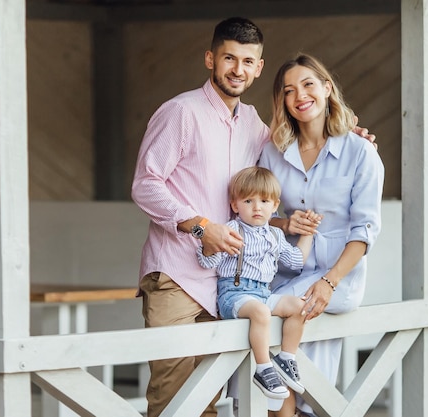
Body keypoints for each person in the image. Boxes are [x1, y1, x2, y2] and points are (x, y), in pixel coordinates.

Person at [132, 16, 374, 417]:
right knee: (174, 395)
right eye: (229, 58)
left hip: (229, 283)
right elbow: (145, 184)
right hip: (177, 275)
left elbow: (284, 160)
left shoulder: (255, 128)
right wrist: (200, 226)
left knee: (209, 396)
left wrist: (352, 139)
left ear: (258, 68)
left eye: (248, 61)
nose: (237, 70)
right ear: (210, 59)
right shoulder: (180, 112)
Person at [258, 53, 385, 417]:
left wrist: (329, 282)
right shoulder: (272, 152)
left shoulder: (360, 152)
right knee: (259, 334)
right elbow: (256, 213)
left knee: (268, 327)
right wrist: (284, 224)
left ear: (327, 88)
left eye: (309, 84)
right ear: (282, 101)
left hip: (336, 278)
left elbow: (365, 230)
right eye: (289, 90)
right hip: (285, 270)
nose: (300, 95)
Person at [196, 166, 321, 404]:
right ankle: (264, 369)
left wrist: (309, 233)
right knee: (261, 312)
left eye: (264, 201)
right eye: (248, 200)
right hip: (234, 294)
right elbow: (207, 261)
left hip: (263, 293)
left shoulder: (275, 234)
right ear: (235, 205)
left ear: (275, 206)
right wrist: (208, 244)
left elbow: (295, 261)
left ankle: (286, 358)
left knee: (299, 306)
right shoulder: (233, 229)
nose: (257, 207)